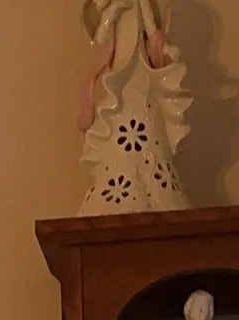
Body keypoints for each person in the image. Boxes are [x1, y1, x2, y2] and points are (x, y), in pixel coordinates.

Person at [78, 0, 191, 215]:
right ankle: (119, 175)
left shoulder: (142, 3)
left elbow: (151, 30)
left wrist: (162, 48)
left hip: (140, 72)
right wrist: (114, 11)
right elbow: (101, 38)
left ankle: (150, 182)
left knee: (143, 115)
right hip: (118, 74)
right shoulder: (110, 6)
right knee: (118, 114)